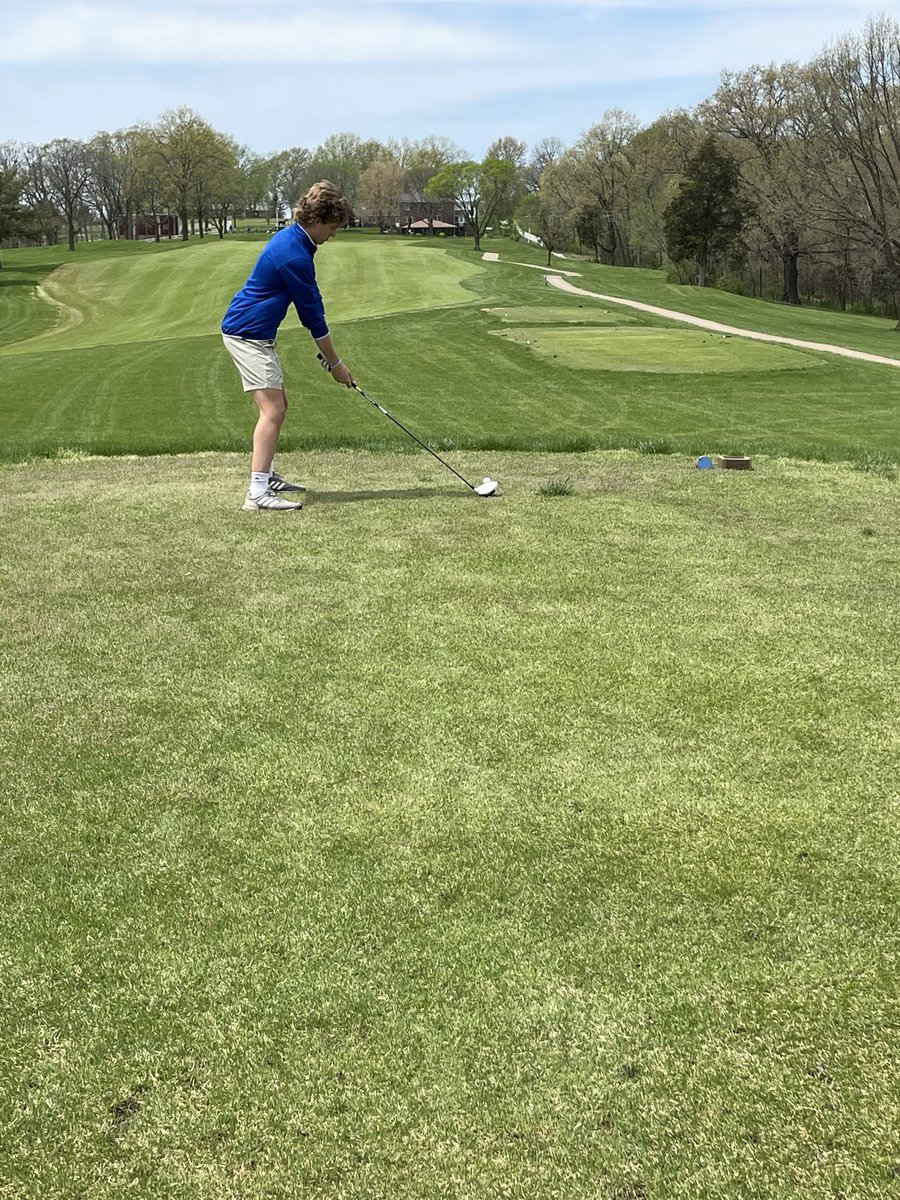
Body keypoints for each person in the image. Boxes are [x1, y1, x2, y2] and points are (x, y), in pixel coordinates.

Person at [222, 180, 356, 511]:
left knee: (279, 405)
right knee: (274, 410)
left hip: (253, 333)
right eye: (333, 226)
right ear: (319, 219)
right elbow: (314, 317)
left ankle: (266, 475)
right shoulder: (294, 255)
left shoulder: (294, 239)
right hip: (246, 335)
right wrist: (337, 365)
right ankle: (257, 493)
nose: (334, 234)